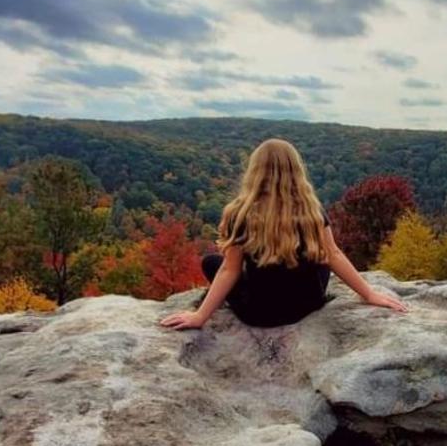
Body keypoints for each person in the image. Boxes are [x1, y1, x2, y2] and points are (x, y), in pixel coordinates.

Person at [159, 138, 407, 330]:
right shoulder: (310, 211)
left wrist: (200, 316)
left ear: (254, 171)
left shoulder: (240, 213)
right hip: (306, 305)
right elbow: (333, 255)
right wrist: (369, 294)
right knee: (322, 256)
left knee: (212, 262)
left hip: (256, 313)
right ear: (296, 171)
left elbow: (229, 270)